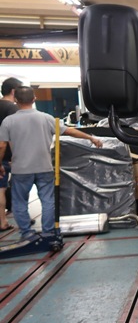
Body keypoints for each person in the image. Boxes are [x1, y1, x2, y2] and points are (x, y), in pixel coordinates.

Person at [0, 86, 103, 240]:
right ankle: (48, 232)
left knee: (20, 202)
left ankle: (27, 234)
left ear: (15, 100)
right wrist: (91, 138)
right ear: (34, 99)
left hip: (21, 170)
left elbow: (2, 146)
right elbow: (69, 131)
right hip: (44, 167)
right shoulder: (46, 118)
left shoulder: (8, 121)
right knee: (47, 200)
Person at [0, 77, 22, 231]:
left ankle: (2, 221)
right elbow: (14, 136)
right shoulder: (12, 109)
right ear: (14, 91)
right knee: (17, 188)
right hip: (6, 157)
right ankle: (8, 221)